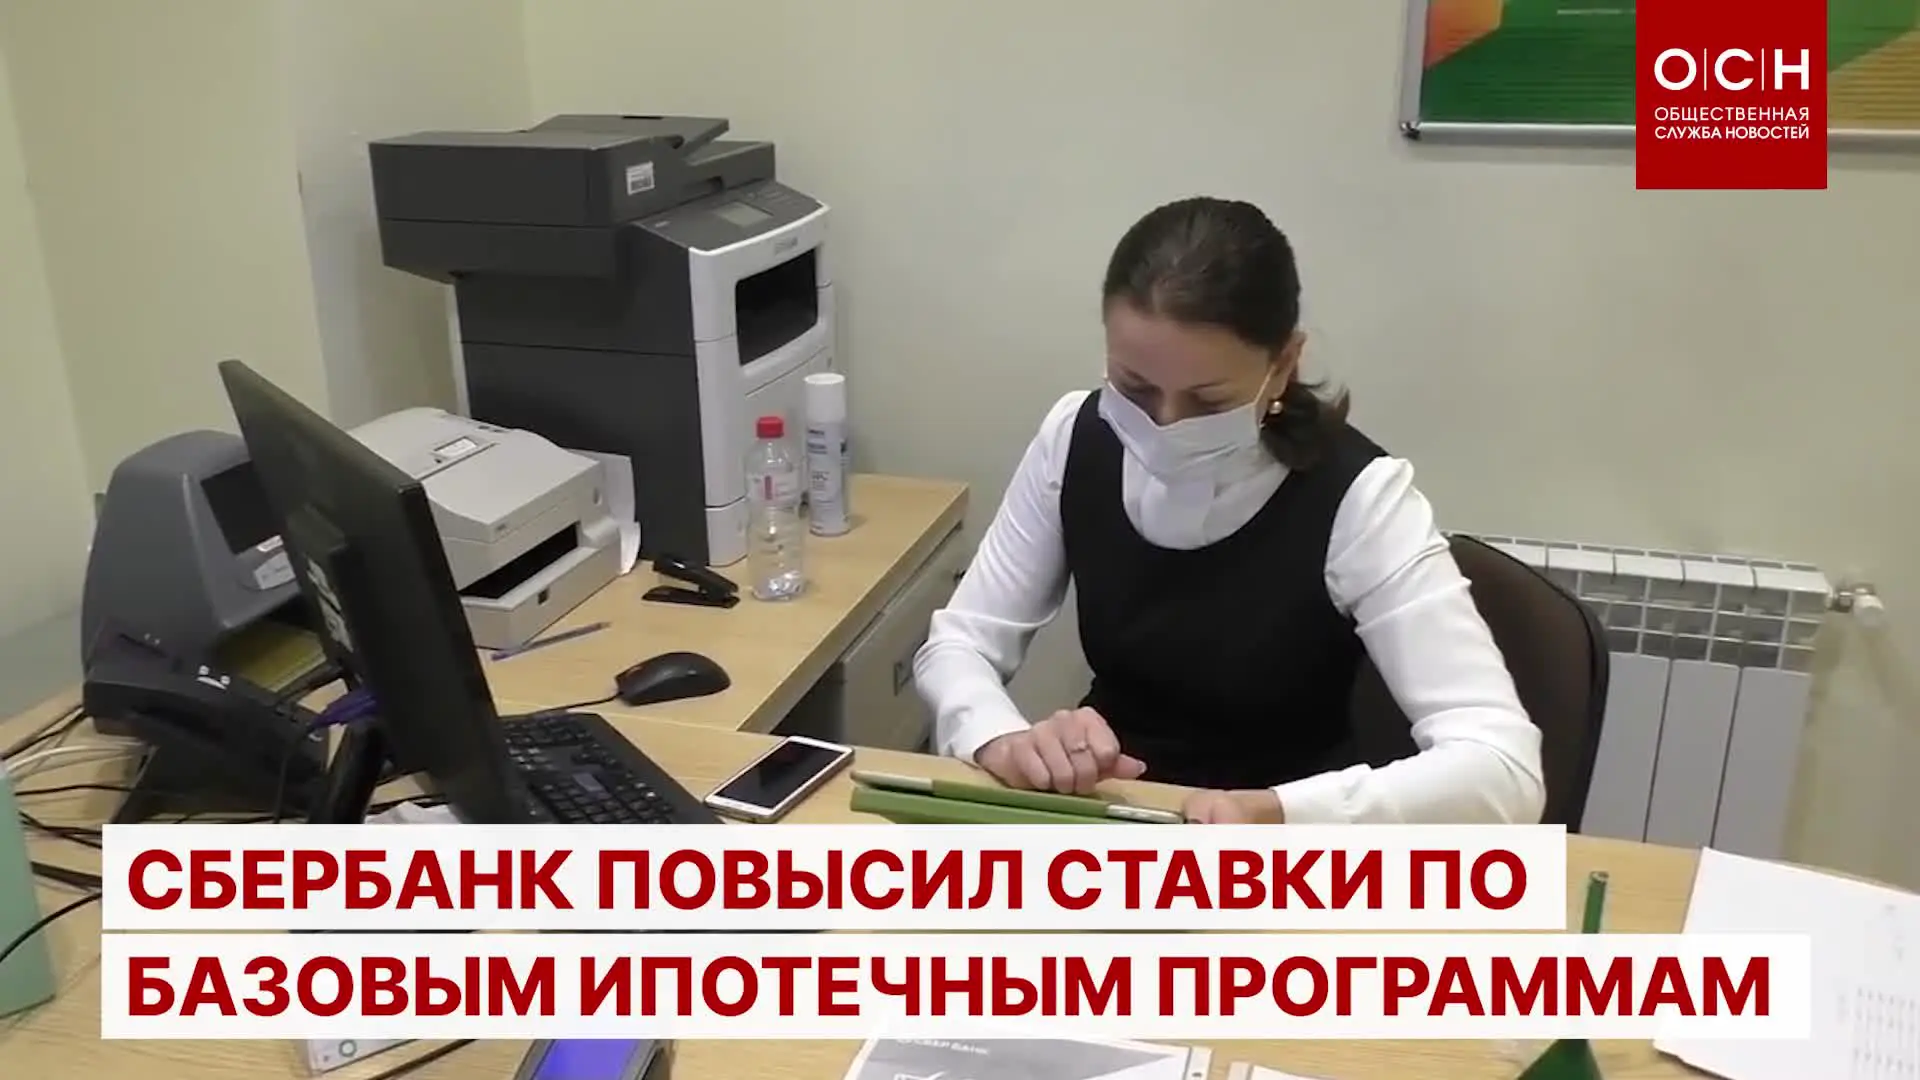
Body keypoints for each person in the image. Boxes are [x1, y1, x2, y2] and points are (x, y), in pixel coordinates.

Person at [911, 197, 1544, 826]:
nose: (1165, 425)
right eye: (1133, 387)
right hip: (1114, 817)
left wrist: (1279, 812)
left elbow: (1503, 769)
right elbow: (961, 643)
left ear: (1284, 365)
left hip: (1284, 847)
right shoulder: (1075, 438)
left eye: (1208, 402)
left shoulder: (1362, 499)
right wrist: (1000, 738)